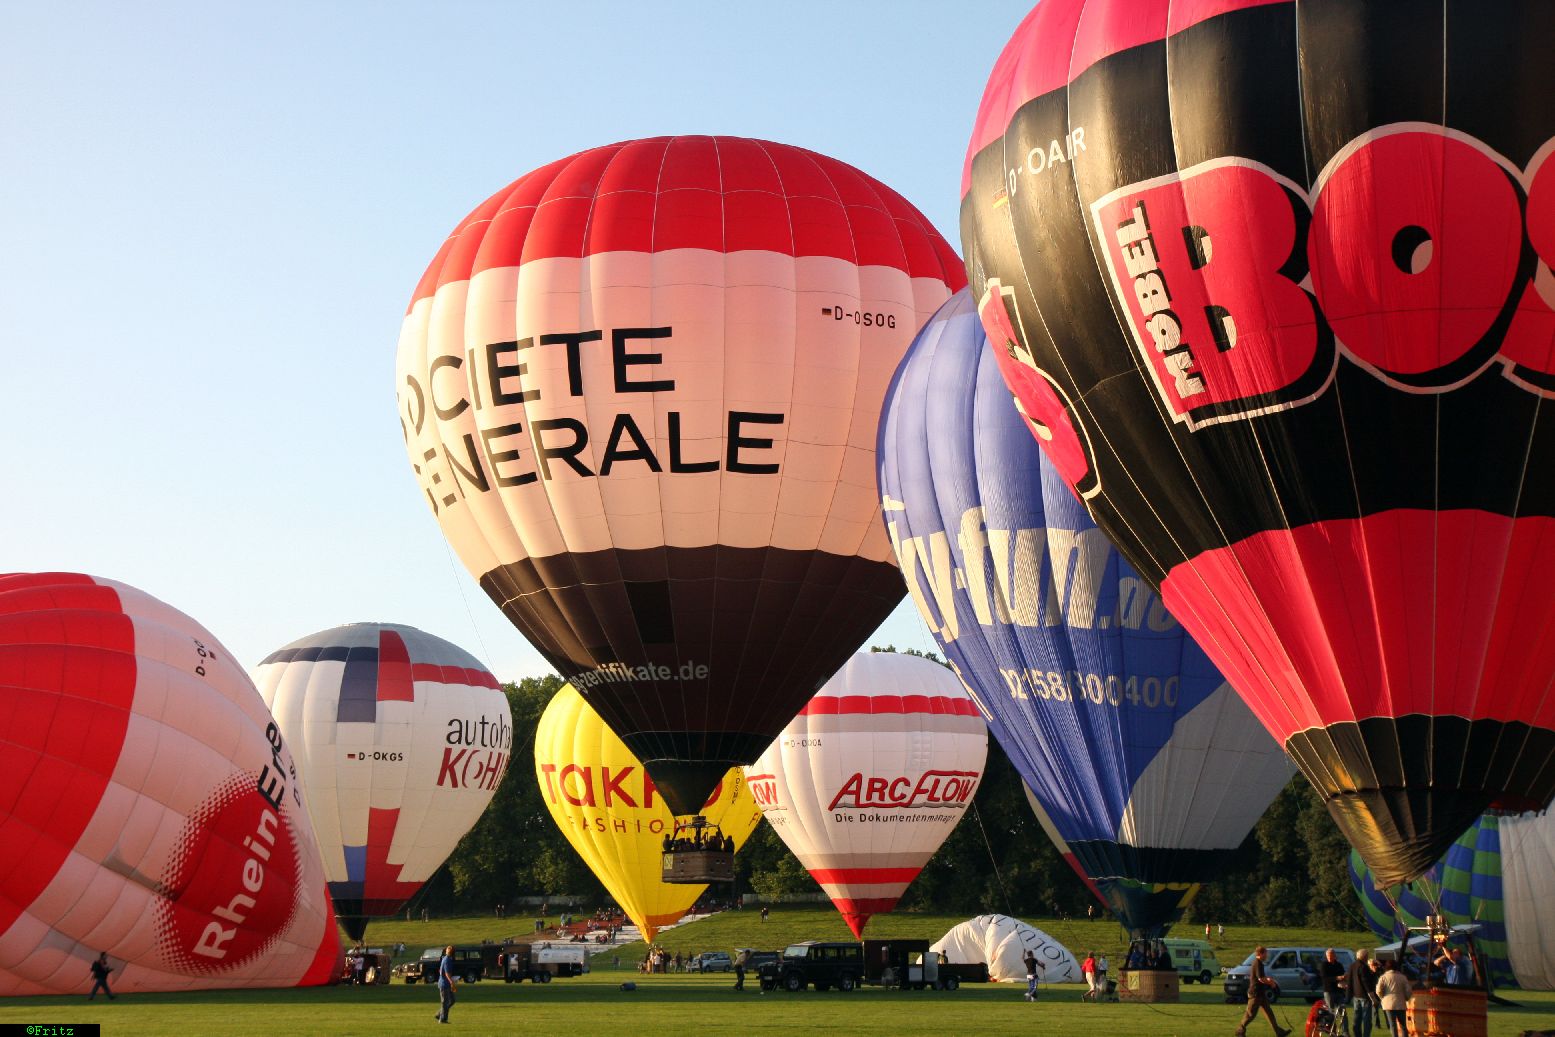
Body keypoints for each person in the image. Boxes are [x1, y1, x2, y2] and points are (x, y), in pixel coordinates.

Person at [1236, 946, 1292, 1037]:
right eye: (1265, 953)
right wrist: (1270, 983)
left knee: (1269, 1014)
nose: (1267, 955)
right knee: (1250, 1015)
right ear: (1260, 954)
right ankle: (1240, 1030)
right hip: (1255, 993)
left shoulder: (1260, 963)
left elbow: (1261, 978)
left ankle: (1279, 1032)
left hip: (1261, 994)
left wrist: (1269, 980)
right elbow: (1260, 979)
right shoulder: (1257, 963)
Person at [1375, 959, 1411, 1037]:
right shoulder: (1403, 977)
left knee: (1392, 1025)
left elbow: (1378, 991)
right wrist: (1406, 998)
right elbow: (1408, 990)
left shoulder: (1383, 977)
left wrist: (1383, 998)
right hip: (1401, 1003)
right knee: (1403, 1025)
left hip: (1388, 1004)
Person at [1347, 948, 1376, 1037]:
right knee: (1366, 1019)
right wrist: (1373, 997)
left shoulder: (1352, 965)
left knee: (1357, 1017)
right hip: (1365, 996)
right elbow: (1366, 982)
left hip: (1356, 995)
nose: (1367, 957)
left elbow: (1350, 981)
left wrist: (1348, 996)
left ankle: (1357, 1035)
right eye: (1367, 956)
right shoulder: (1364, 967)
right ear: (1365, 957)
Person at [1320, 948, 1349, 1033]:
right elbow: (1324, 978)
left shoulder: (1339, 965)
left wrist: (1344, 978)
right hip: (1329, 991)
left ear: (1335, 956)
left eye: (1331, 955)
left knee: (1343, 1012)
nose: (1329, 957)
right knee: (1331, 1012)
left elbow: (1342, 974)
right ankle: (1333, 1031)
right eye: (1328, 955)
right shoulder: (1324, 965)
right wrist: (1336, 978)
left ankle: (1345, 1032)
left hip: (1339, 991)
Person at [435, 945, 457, 1024]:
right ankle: (443, 1019)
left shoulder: (445, 958)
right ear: (452, 953)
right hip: (444, 984)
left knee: (452, 1001)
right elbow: (447, 974)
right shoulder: (447, 960)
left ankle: (439, 1014)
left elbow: (441, 971)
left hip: (446, 983)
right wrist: (452, 982)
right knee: (445, 1002)